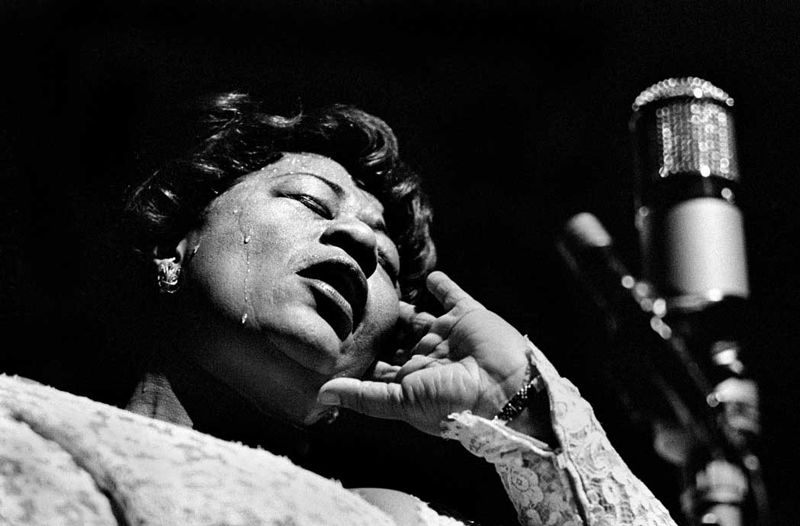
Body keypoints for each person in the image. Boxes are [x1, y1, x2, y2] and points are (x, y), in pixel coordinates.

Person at [0, 93, 677, 525]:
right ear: (175, 248)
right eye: (308, 202)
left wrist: (520, 405)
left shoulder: (389, 521)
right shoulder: (16, 423)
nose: (355, 237)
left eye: (383, 256)